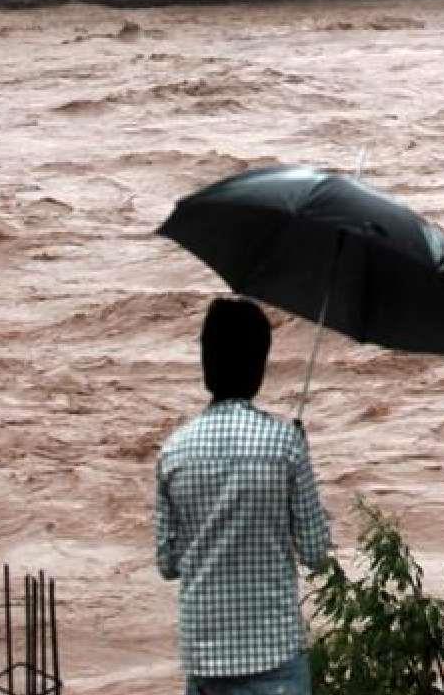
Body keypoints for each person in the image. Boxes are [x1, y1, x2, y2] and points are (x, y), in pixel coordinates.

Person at [157, 298, 333, 695]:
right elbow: (317, 553)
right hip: (274, 658)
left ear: (205, 364)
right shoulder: (285, 446)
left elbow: (168, 563)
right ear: (259, 368)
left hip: (205, 661)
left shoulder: (174, 451)